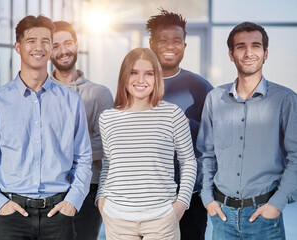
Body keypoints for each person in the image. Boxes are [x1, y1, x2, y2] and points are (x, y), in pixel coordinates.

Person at [0, 15, 92, 240]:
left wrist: (72, 202)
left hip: (59, 213)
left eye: (46, 41)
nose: (39, 47)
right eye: (31, 40)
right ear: (17, 47)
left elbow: (83, 159)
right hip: (11, 215)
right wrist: (0, 204)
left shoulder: (71, 101)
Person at [197, 22, 297, 239]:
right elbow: (206, 154)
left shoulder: (285, 100)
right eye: (241, 46)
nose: (249, 52)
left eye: (256, 46)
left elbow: (296, 156)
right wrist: (207, 198)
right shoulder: (215, 98)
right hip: (221, 217)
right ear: (231, 54)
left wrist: (277, 204)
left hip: (264, 218)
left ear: (265, 53)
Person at [96, 48, 197, 240]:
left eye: (148, 74)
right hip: (117, 219)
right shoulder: (108, 118)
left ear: (156, 78)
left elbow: (189, 162)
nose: (141, 80)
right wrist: (101, 200)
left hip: (161, 220)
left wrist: (181, 203)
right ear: (124, 76)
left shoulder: (172, 114)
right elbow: (108, 164)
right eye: (134, 72)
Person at [146, 9, 213, 240]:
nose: (170, 46)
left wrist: (187, 125)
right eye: (163, 40)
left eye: (176, 41)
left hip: (190, 198)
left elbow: (216, 138)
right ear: (152, 43)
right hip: (146, 197)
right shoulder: (136, 85)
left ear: (184, 45)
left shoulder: (200, 88)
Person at [50, 20, 113, 240]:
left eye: (68, 43)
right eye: (55, 46)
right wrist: (84, 141)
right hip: (48, 190)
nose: (63, 51)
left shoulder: (99, 94)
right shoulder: (40, 93)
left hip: (88, 188)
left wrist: (55, 146)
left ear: (76, 44)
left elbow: (104, 144)